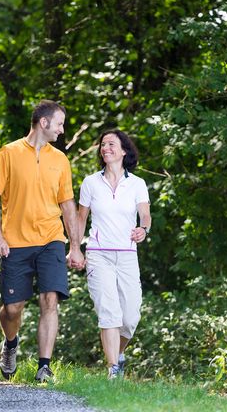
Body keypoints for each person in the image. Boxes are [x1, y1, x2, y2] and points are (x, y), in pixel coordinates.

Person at [0, 100, 85, 382]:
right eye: (60, 124)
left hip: (51, 239)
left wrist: (75, 246)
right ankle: (10, 344)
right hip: (15, 242)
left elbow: (67, 204)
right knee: (12, 309)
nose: (62, 130)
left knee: (50, 299)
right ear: (44, 122)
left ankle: (44, 366)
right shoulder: (8, 153)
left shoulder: (60, 160)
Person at [77, 129, 151, 379]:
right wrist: (75, 248)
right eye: (102, 144)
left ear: (124, 151)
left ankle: (118, 355)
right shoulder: (90, 182)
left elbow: (145, 214)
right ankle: (113, 371)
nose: (105, 148)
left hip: (127, 255)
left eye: (111, 144)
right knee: (109, 313)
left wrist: (143, 229)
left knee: (130, 318)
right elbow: (81, 218)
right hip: (99, 255)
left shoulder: (137, 183)